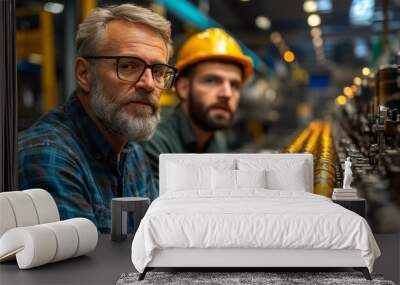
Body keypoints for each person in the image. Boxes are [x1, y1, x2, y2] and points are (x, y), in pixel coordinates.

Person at [18, 4, 177, 233]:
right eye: (128, 66)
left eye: (159, 72)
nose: (149, 84)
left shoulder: (133, 154)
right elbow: (82, 268)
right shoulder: (48, 156)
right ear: (84, 74)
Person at [143, 28, 253, 189]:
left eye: (235, 85)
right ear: (184, 88)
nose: (227, 94)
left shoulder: (216, 138)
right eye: (212, 81)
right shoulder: (156, 142)